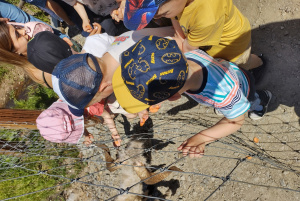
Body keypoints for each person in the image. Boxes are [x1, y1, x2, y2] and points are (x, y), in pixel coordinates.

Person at [112, 36, 272, 158]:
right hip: (226, 71)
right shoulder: (185, 55)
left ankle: (262, 101)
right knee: (228, 105)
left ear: (174, 97)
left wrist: (201, 138)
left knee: (251, 101)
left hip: (242, 88)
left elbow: (236, 121)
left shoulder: (224, 94)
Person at [112, 0, 264, 73]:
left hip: (230, 45)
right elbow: (175, 18)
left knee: (240, 65)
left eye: (164, 14)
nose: (161, 17)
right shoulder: (179, 5)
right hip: (206, 38)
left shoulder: (206, 17)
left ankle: (260, 63)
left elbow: (189, 49)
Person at [36, 99, 121, 146]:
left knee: (131, 115)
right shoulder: (66, 101)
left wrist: (115, 133)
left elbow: (106, 116)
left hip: (103, 97)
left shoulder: (90, 107)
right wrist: (86, 134)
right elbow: (75, 122)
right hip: (95, 105)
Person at [61, 0, 128, 35]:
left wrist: (121, 4)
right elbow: (75, 3)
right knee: (108, 32)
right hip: (101, 11)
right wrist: (85, 19)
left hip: (120, 4)